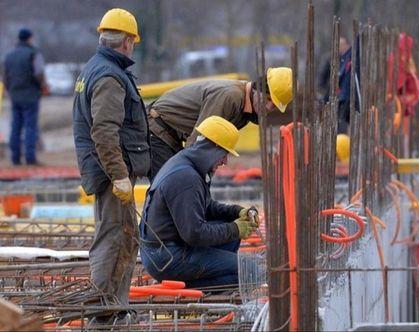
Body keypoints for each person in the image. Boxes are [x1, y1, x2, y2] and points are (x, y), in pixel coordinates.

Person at [72, 7, 149, 317]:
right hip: (111, 172)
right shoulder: (108, 76)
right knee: (113, 238)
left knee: (126, 236)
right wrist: (118, 176)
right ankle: (102, 311)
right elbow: (104, 131)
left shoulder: (98, 68)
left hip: (107, 169)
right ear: (127, 41)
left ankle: (114, 306)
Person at [140, 116, 258, 288]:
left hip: (165, 250)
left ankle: (202, 273)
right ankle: (185, 284)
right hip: (166, 258)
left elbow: (206, 206)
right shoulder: (186, 178)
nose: (225, 161)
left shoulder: (188, 164)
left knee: (232, 236)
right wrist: (234, 228)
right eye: (224, 154)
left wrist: (236, 212)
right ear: (213, 148)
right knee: (250, 270)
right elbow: (194, 234)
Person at [147, 68, 292, 180]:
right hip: (158, 129)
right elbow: (199, 140)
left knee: (180, 186)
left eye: (273, 105)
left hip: (171, 134)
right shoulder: (231, 97)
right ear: (257, 88)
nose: (268, 107)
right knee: (173, 187)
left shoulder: (245, 109)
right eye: (267, 99)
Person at [3, 28, 47, 165]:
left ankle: (15, 158)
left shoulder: (9, 56)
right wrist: (43, 86)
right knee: (30, 126)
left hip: (15, 96)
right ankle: (30, 158)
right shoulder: (33, 54)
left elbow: (5, 77)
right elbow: (39, 73)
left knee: (15, 126)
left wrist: (11, 90)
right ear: (29, 38)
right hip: (31, 95)